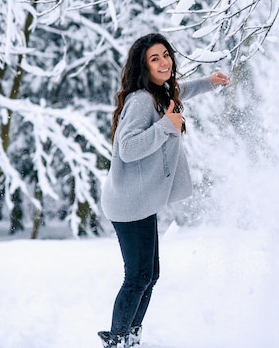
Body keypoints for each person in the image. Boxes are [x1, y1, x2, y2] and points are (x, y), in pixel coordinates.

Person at [98, 33, 229, 348]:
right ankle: (117, 340)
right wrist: (166, 126)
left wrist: (209, 81)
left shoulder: (157, 93)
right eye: (154, 58)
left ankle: (129, 336)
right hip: (129, 204)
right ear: (144, 66)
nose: (164, 62)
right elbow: (127, 148)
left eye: (166, 55)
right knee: (138, 277)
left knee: (149, 275)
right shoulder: (142, 100)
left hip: (138, 201)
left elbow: (180, 90)